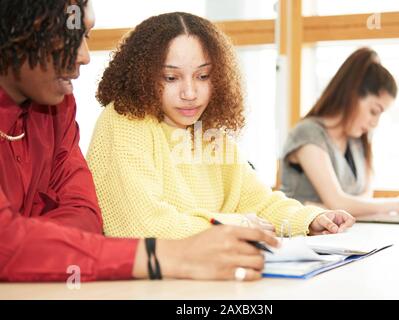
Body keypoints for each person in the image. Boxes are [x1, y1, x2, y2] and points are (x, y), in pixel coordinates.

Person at [0, 0, 279, 282]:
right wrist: (168, 255)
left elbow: (83, 214)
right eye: (68, 37)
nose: (84, 56)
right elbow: (7, 242)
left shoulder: (59, 109)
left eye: (85, 37)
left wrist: (36, 245)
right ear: (15, 30)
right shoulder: (119, 121)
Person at [86, 12, 355, 240]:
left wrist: (310, 220)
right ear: (142, 78)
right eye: (171, 77)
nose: (190, 92)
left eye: (203, 76)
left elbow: (257, 202)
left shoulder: (208, 132)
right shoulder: (123, 121)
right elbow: (140, 226)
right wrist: (236, 225)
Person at [280, 47, 399, 217]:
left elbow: (364, 197)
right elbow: (338, 202)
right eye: (374, 111)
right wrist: (398, 204)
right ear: (353, 96)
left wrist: (327, 207)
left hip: (344, 237)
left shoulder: (357, 141)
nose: (375, 123)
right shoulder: (308, 133)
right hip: (300, 238)